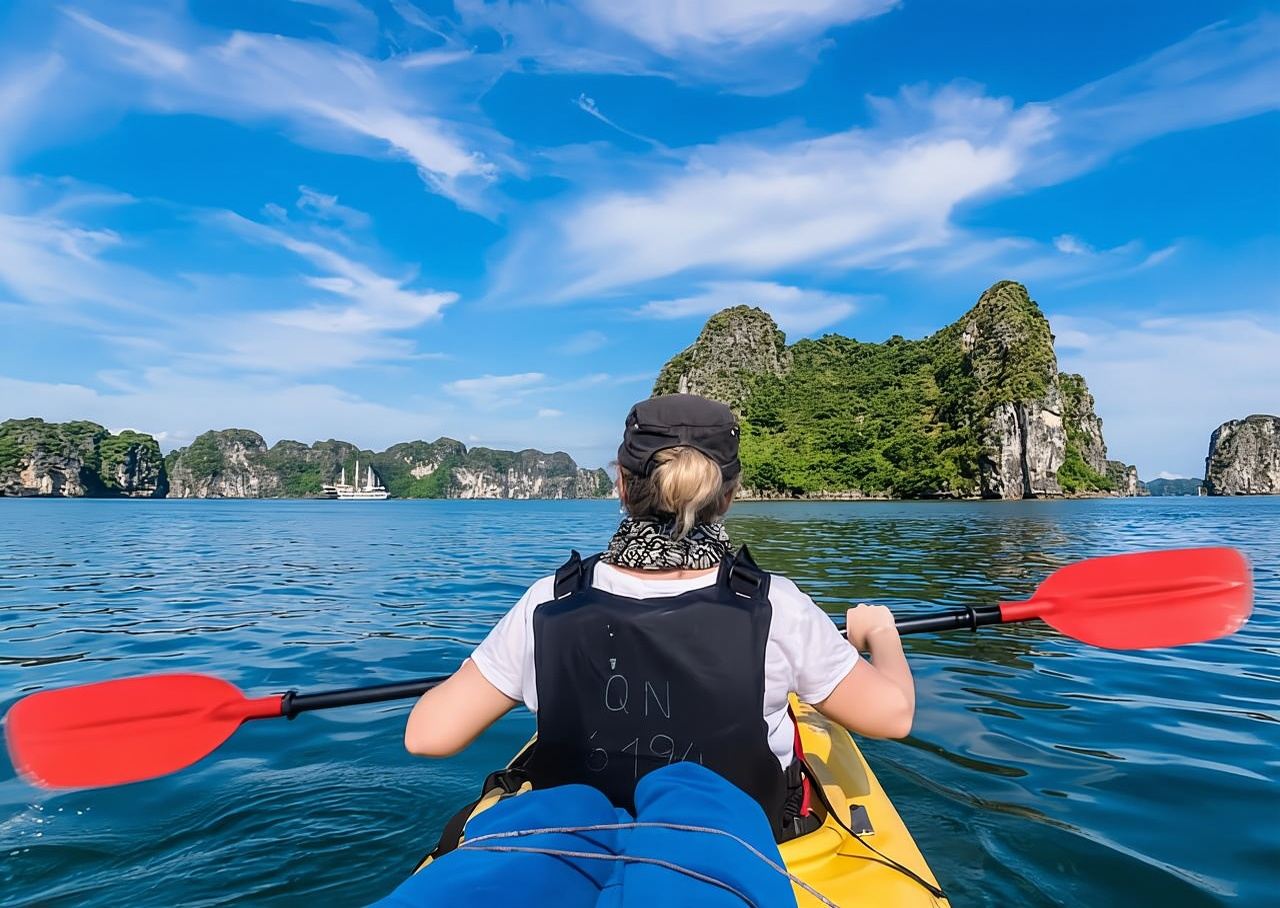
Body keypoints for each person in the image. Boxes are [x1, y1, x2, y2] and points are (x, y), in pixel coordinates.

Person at [404, 393, 915, 841]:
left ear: (622, 486)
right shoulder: (774, 603)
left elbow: (427, 735)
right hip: (731, 852)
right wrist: (880, 633)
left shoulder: (550, 600)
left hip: (576, 843)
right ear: (730, 495)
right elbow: (892, 716)